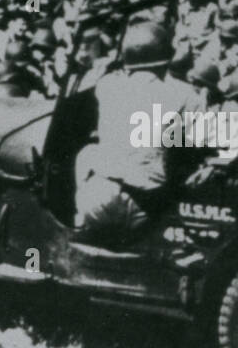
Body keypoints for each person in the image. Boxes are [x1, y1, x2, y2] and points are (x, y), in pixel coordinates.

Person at [73, 21, 205, 246]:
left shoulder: (106, 86)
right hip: (146, 210)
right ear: (165, 59)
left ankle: (79, 223)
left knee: (88, 153)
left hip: (96, 204)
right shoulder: (187, 95)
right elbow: (195, 148)